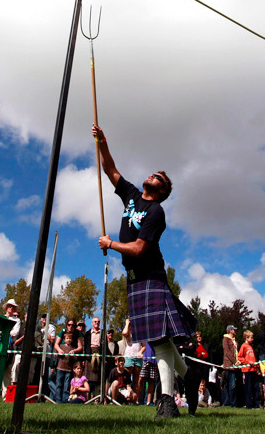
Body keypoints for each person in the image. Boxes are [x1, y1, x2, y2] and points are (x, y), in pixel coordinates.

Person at [95, 124, 198, 418]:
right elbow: (110, 168)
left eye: (160, 178)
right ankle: (188, 374)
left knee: (158, 339)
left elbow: (140, 248)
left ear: (162, 190)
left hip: (151, 276)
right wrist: (102, 141)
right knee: (157, 339)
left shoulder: (156, 212)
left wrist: (111, 244)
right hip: (134, 280)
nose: (153, 176)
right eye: (153, 173)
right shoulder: (131, 196)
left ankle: (167, 402)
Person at [238, 330, 259, 409]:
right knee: (248, 388)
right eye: (251, 337)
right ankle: (249, 405)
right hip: (247, 370)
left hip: (253, 370)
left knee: (256, 388)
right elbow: (240, 357)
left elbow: (253, 358)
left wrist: (256, 366)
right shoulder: (244, 346)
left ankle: (256, 404)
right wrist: (247, 362)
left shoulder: (251, 347)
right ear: (246, 338)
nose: (252, 339)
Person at [222, 324, 240, 407]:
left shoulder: (235, 341)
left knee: (233, 385)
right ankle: (228, 402)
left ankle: (233, 403)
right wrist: (235, 361)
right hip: (228, 365)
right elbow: (227, 352)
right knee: (228, 384)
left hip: (235, 366)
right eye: (233, 329)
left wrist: (238, 361)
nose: (235, 331)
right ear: (230, 330)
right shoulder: (225, 339)